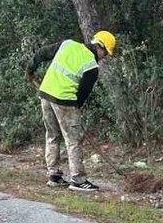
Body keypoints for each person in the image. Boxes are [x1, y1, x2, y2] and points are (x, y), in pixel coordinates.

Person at [26, 30, 117, 192]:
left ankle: (54, 176)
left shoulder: (67, 44)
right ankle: (78, 180)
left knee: (52, 135)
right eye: (106, 54)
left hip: (45, 94)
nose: (105, 57)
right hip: (64, 100)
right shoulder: (92, 66)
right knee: (73, 139)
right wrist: (75, 111)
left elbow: (41, 53)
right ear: (101, 48)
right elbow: (83, 93)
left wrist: (30, 70)